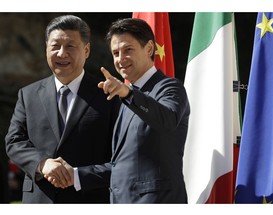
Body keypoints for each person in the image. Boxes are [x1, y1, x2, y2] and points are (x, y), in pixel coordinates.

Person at [47, 17, 190, 204]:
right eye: (115, 53)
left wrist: (128, 93)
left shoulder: (169, 88)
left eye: (128, 50)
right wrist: (76, 175)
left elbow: (167, 121)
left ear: (149, 49)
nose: (120, 59)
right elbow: (123, 166)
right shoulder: (127, 98)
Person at [5, 15, 119, 203]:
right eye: (55, 46)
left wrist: (77, 175)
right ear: (46, 49)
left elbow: (123, 158)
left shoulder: (108, 94)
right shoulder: (28, 94)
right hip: (39, 200)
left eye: (70, 46)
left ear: (87, 50)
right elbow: (14, 142)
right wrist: (42, 163)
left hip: (90, 200)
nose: (61, 53)